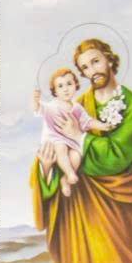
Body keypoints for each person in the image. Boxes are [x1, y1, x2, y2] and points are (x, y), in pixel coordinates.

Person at [32, 36, 132, 263]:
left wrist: (79, 136)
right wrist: (46, 168)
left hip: (116, 210)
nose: (92, 71)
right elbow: (55, 141)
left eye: (96, 61)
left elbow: (119, 156)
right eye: (85, 67)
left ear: (110, 59)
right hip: (77, 209)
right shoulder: (78, 104)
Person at [31, 67, 112, 198]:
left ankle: (65, 179)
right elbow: (38, 109)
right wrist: (35, 100)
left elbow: (87, 122)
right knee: (61, 148)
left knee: (76, 155)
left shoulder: (77, 107)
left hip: (72, 140)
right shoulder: (52, 106)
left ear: (76, 85)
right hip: (55, 140)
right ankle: (69, 173)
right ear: (55, 91)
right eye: (60, 86)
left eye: (69, 84)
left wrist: (103, 126)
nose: (66, 89)